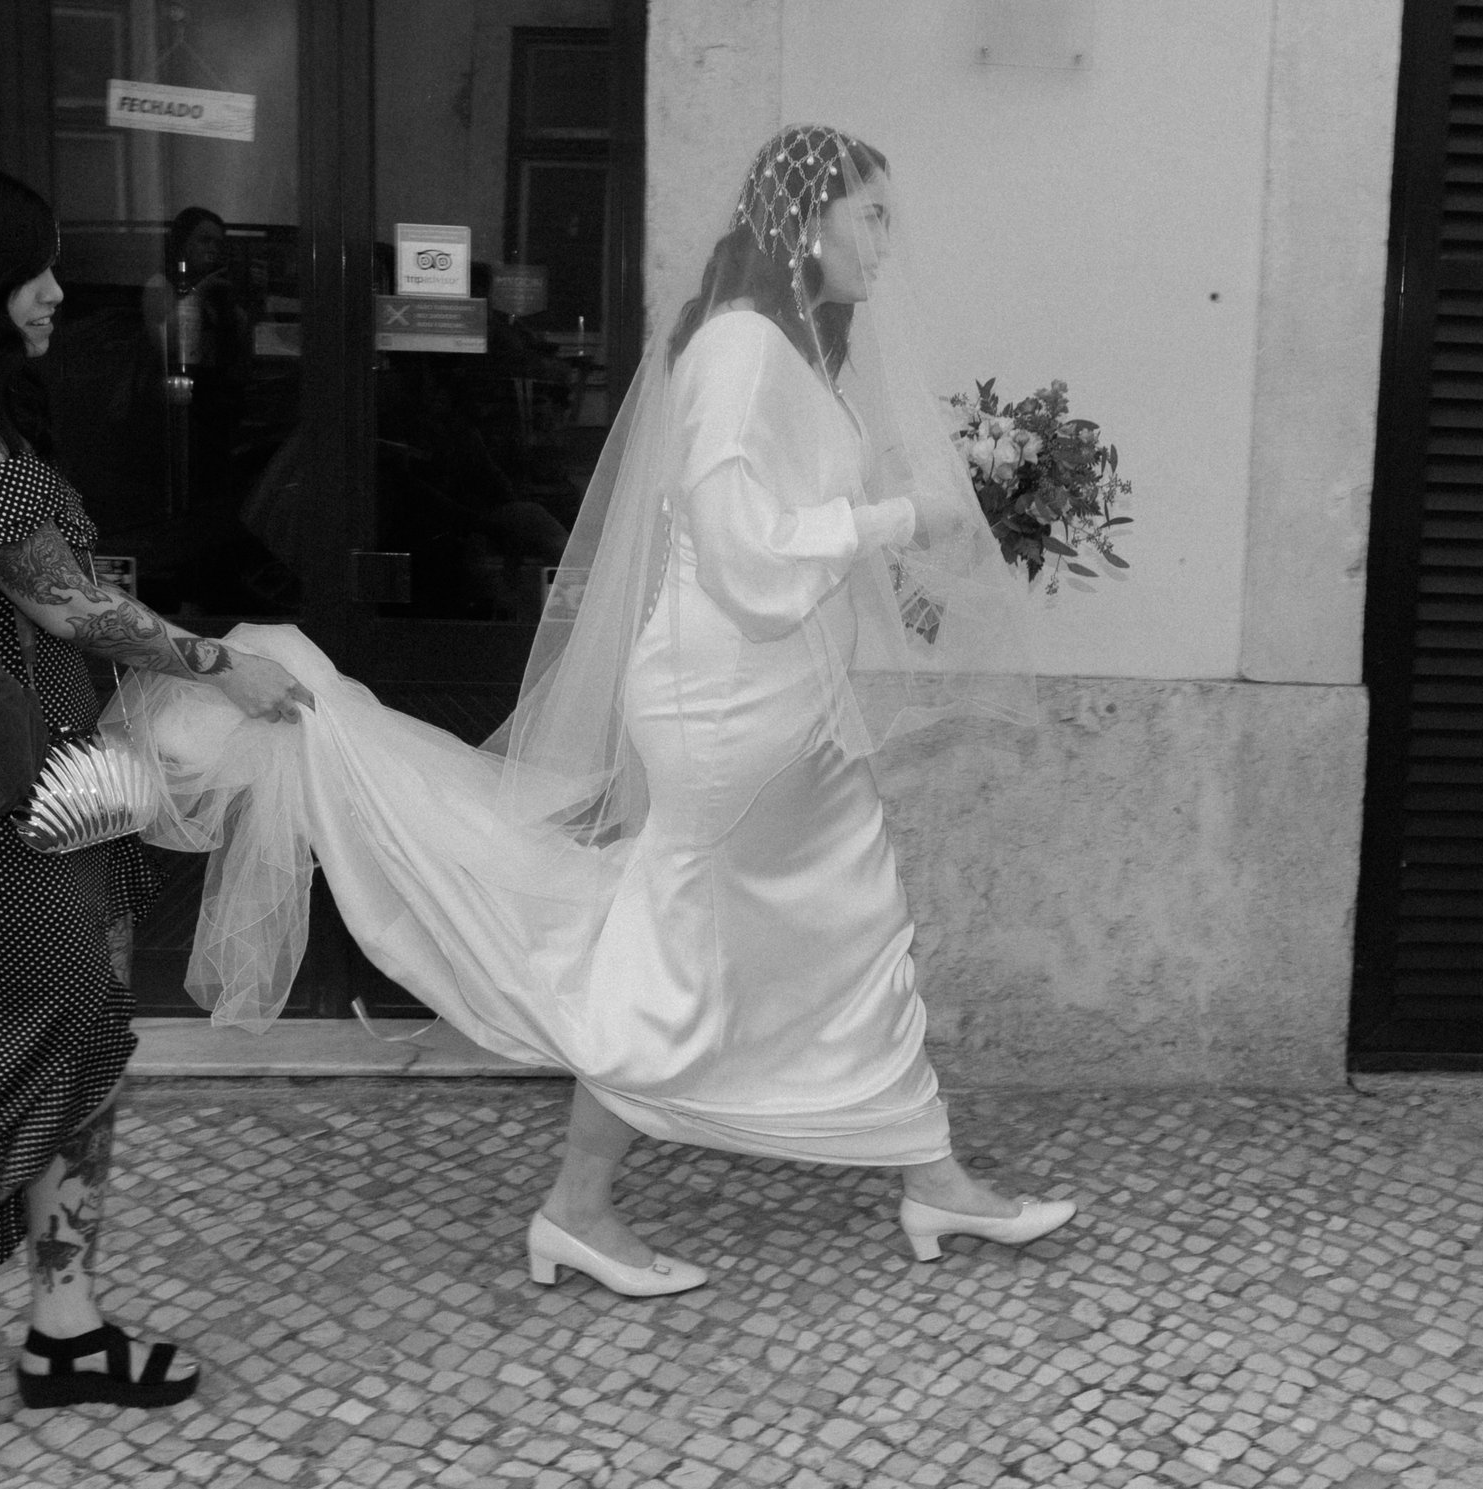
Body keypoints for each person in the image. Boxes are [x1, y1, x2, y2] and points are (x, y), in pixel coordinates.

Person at [111, 126, 1069, 1294]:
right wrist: (897, 521)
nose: (885, 243)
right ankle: (579, 1204)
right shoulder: (740, 347)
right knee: (682, 947)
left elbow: (794, 514)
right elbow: (739, 551)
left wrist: (929, 522)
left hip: (789, 701)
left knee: (855, 918)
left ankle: (932, 1175)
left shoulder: (795, 350)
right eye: (871, 217)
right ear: (808, 223)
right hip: (726, 707)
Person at [0, 160, 310, 1406]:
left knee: (71, 1053)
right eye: (32, 267)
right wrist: (221, 663)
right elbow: (57, 594)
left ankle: (65, 1324)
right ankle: (61, 1324)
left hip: (42, 785)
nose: (57, 290)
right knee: (46, 1050)